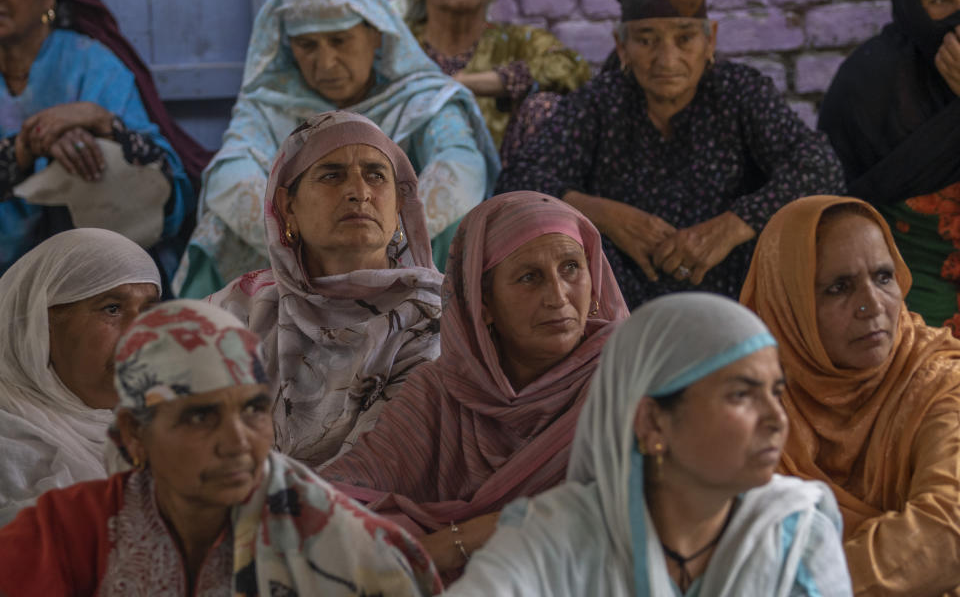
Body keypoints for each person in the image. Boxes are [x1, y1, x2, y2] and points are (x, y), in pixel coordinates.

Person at [0, 300, 441, 596]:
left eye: (252, 410)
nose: (237, 443)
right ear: (135, 434)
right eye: (199, 416)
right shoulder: (63, 532)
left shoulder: (348, 548)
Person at [444, 292, 852, 596]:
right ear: (653, 423)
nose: (777, 419)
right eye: (741, 395)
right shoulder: (554, 541)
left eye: (776, 392)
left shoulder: (794, 532)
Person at [496, 0, 845, 309]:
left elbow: (820, 168)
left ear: (711, 39)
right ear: (622, 46)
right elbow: (517, 182)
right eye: (646, 40)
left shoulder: (739, 92)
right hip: (623, 312)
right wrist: (602, 214)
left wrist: (734, 225)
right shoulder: (601, 102)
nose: (666, 59)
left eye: (685, 38)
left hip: (739, 302)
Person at [323, 191, 629, 576]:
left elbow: (643, 511)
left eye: (571, 267)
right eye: (529, 277)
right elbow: (337, 493)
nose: (558, 296)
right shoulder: (443, 390)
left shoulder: (627, 380)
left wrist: (468, 540)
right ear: (482, 302)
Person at [177, 0, 499, 296]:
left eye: (340, 40)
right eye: (307, 45)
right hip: (301, 253)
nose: (326, 62)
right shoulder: (270, 104)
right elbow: (233, 169)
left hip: (396, 247)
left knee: (461, 224)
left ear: (376, 33)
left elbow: (461, 163)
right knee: (219, 229)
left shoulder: (421, 98)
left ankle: (441, 337)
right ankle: (227, 341)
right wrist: (309, 235)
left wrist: (385, 234)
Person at [741, 195, 960, 595]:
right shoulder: (747, 399)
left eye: (883, 277)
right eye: (839, 287)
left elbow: (949, 526)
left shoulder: (938, 377)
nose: (872, 306)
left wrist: (808, 586)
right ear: (788, 303)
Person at [210, 111, 443, 469]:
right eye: (332, 175)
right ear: (288, 207)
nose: (359, 192)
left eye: (375, 175)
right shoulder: (237, 309)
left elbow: (393, 461)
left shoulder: (434, 316)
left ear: (399, 205)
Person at [0, 0, 201, 284]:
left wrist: (101, 126)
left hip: (101, 281)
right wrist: (27, 147)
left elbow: (170, 192)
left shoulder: (94, 66)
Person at [819, 0, 960, 336]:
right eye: (940, 1)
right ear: (912, 3)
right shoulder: (871, 84)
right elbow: (829, 214)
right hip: (909, 320)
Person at [0, 228, 160, 525]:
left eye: (149, 311)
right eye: (112, 309)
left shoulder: (147, 427)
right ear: (41, 325)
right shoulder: (9, 447)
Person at [395, 0, 590, 164]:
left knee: (545, 106)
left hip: (509, 190)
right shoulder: (392, 48)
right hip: (408, 189)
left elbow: (573, 68)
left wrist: (491, 82)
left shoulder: (518, 44)